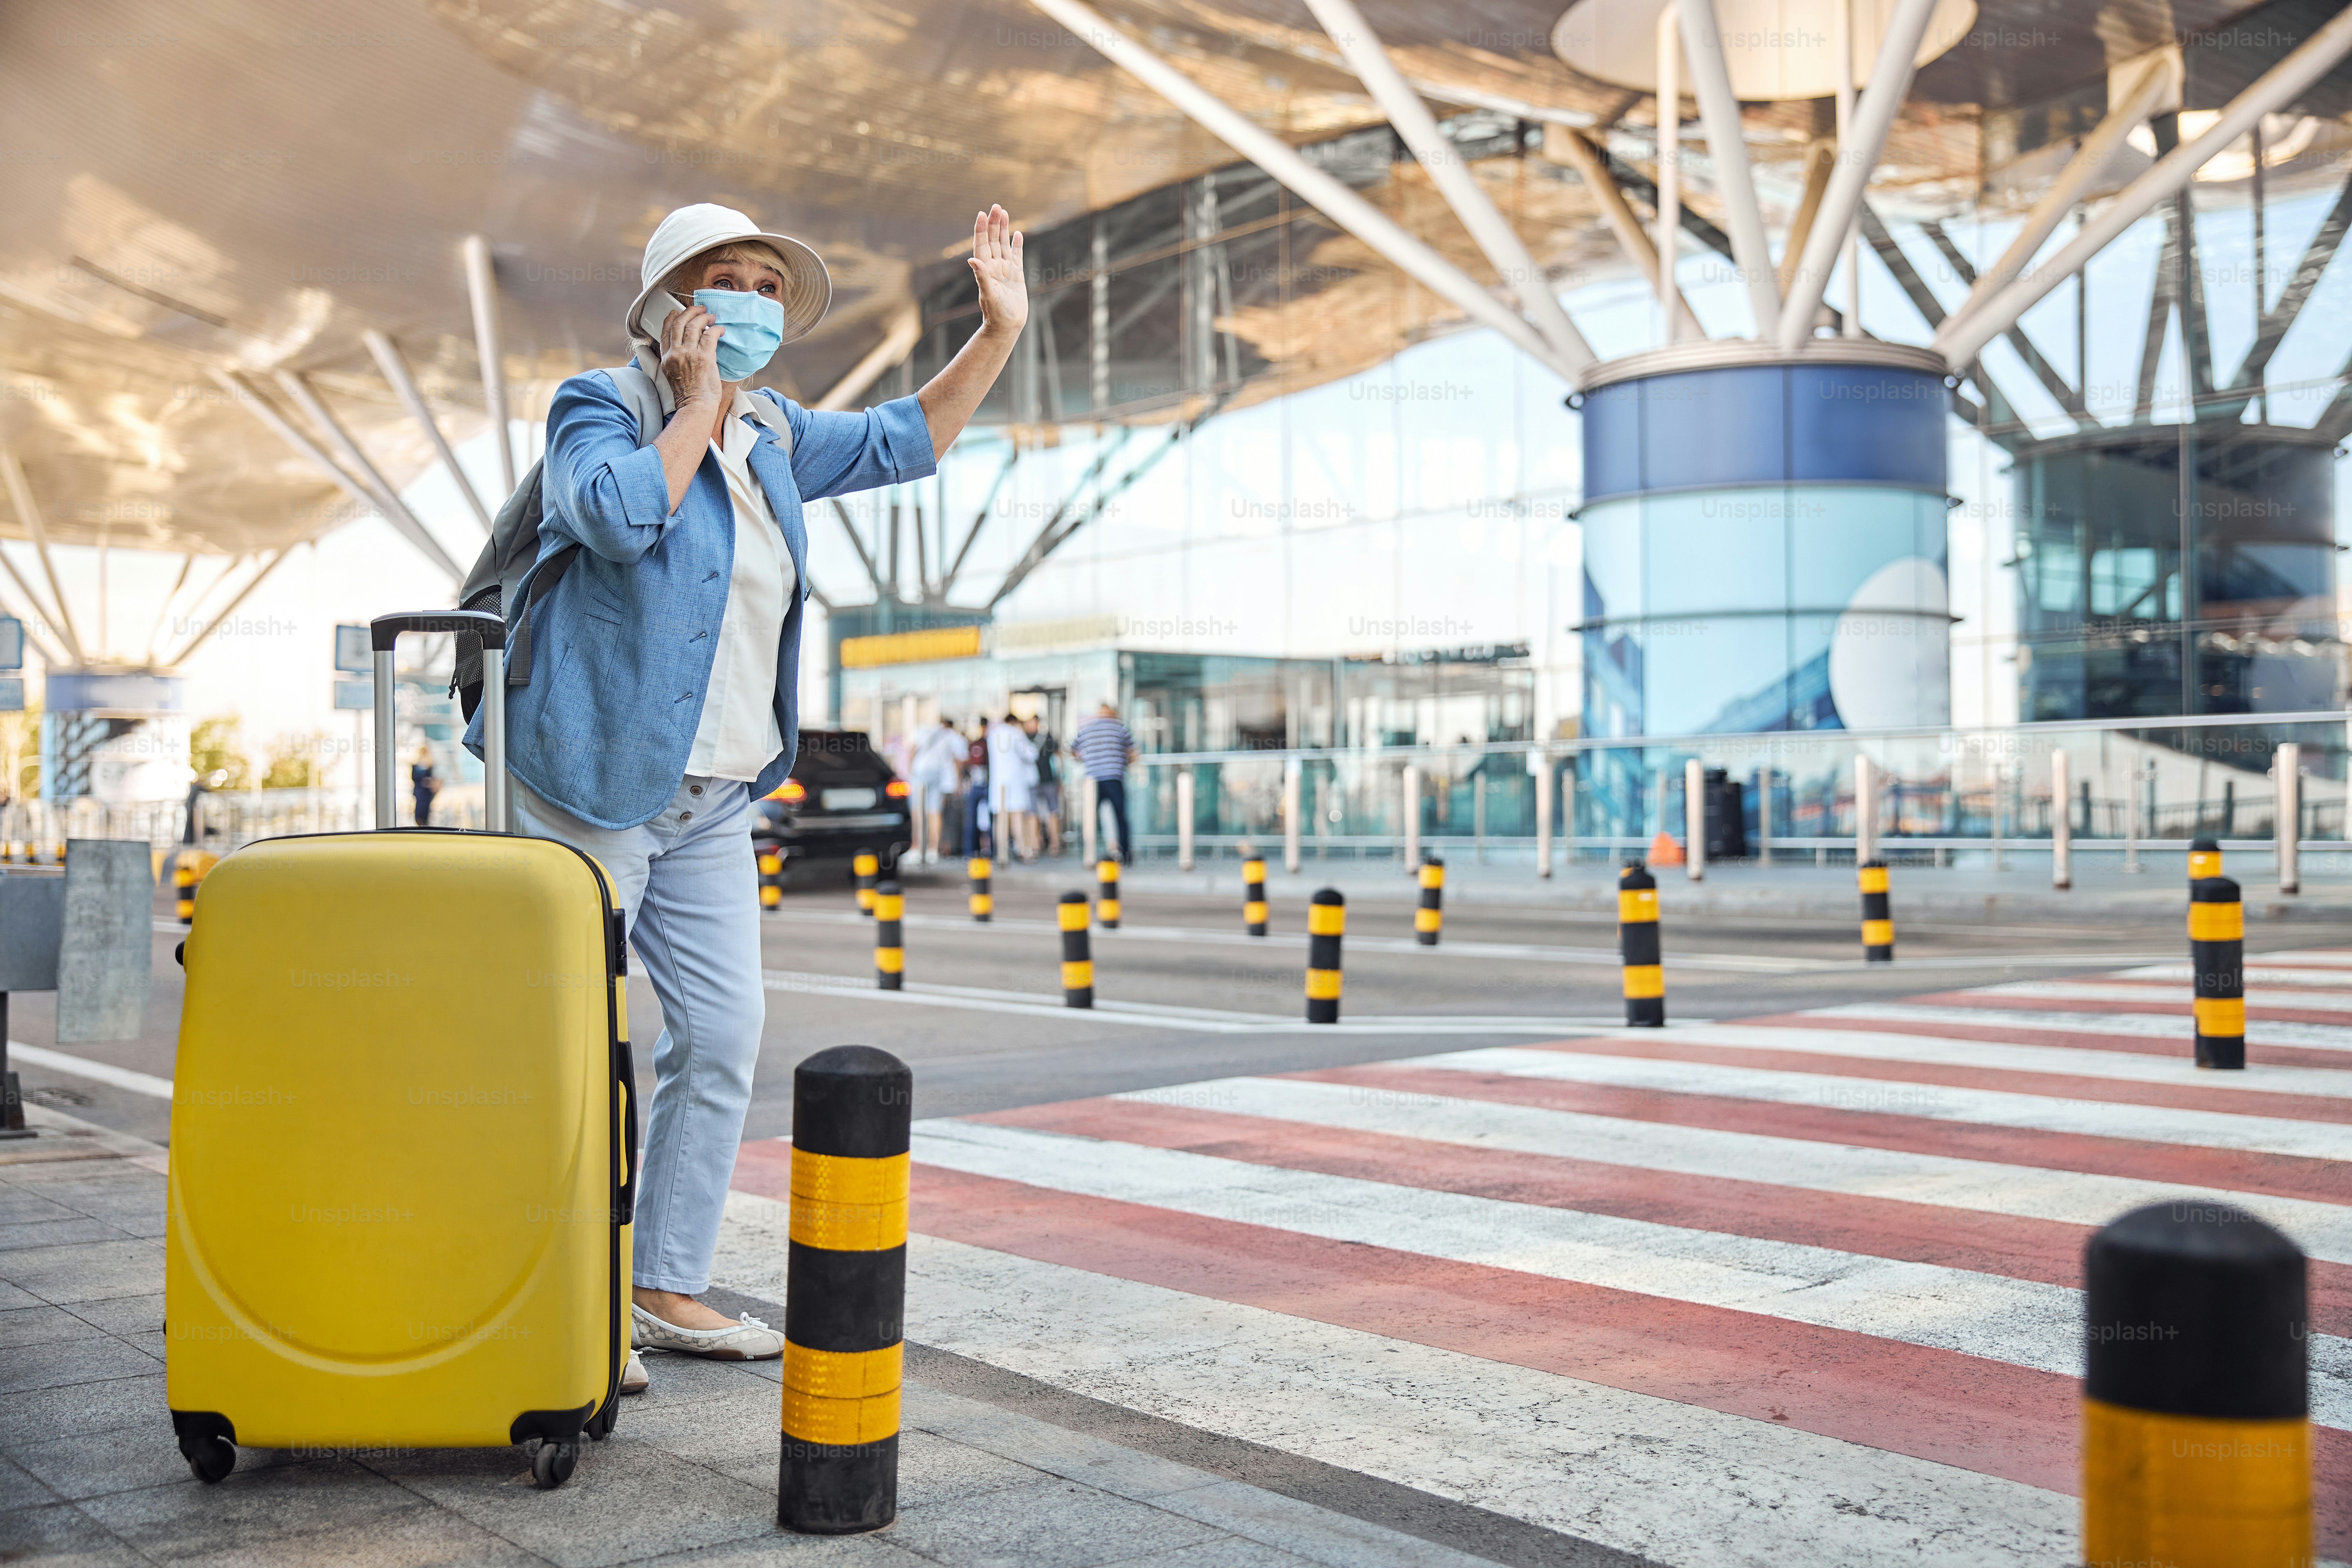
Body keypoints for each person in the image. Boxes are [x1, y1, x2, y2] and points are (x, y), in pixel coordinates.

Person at [465, 200, 1028, 1394]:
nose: (754, 301)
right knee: (565, 1044)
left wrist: (999, 331)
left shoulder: (776, 433)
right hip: (585, 781)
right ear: (671, 304)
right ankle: (556, 1297)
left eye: (770, 284)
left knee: (719, 1036)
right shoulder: (598, 406)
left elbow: (906, 439)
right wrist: (688, 408)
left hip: (717, 797)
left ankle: (660, 1283)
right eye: (728, 279)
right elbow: (616, 519)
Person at [1072, 701, 1138, 862]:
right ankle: (1126, 855)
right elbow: (1134, 754)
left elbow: (1073, 750)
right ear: (1113, 714)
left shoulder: (1086, 729)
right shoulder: (1120, 728)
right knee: (1120, 817)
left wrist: (1087, 760)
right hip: (1114, 777)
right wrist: (1123, 762)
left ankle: (1087, 855)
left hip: (1092, 780)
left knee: (1090, 819)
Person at [908, 716, 964, 864]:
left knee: (918, 811)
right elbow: (959, 759)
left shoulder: (921, 730)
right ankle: (933, 850)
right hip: (939, 775)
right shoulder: (950, 735)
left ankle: (918, 848)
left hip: (920, 774)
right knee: (935, 812)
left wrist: (909, 771)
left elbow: (913, 750)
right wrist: (956, 781)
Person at [987, 711, 1037, 860]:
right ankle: (1021, 849)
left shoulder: (993, 734)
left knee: (1000, 818)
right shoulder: (1016, 733)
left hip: (998, 782)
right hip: (1015, 781)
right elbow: (1031, 754)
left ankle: (1000, 851)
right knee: (1016, 815)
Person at [1027, 715, 1062, 856]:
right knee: (1033, 813)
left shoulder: (1042, 738)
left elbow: (1057, 759)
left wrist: (1060, 779)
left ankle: (1054, 844)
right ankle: (1037, 843)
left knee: (1052, 812)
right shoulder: (1029, 738)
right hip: (1035, 782)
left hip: (1047, 780)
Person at [962, 720, 991, 857]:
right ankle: (988, 850)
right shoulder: (988, 744)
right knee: (988, 819)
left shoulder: (975, 744)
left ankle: (972, 851)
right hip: (986, 785)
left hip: (977, 784)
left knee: (975, 818)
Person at [410, 747, 440, 827]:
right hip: (419, 793)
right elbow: (414, 778)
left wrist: (430, 782)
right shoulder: (416, 766)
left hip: (427, 794)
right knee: (419, 813)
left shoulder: (430, 766)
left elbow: (435, 779)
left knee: (426, 813)